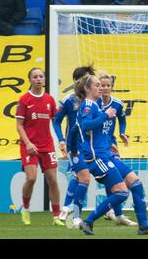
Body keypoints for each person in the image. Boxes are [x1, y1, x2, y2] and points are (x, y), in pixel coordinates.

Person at [70, 74, 148, 235]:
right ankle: (88, 221)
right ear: (87, 88)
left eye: (103, 85)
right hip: (97, 157)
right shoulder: (88, 105)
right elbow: (84, 125)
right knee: (121, 192)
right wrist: (106, 116)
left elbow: (77, 129)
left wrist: (107, 141)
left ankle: (144, 227)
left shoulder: (95, 105)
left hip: (106, 153)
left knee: (136, 184)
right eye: (97, 85)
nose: (101, 88)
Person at [16, 68, 65, 226]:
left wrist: (61, 141)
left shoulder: (49, 100)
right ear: (29, 80)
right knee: (31, 178)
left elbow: (55, 122)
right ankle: (25, 208)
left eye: (41, 76)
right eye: (35, 77)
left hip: (47, 146)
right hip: (29, 146)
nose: (38, 79)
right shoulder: (24, 100)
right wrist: (28, 143)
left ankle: (56, 216)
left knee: (53, 180)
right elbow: (19, 125)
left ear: (44, 79)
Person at [54, 65, 95, 227]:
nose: (87, 82)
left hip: (92, 144)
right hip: (75, 144)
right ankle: (72, 212)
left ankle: (67, 208)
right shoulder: (69, 100)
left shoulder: (94, 100)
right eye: (84, 78)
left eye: (89, 79)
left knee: (80, 176)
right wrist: (61, 140)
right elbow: (56, 121)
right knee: (82, 176)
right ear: (76, 81)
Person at [96, 73, 136, 226]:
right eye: (102, 85)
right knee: (85, 178)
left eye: (108, 85)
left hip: (111, 144)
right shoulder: (93, 104)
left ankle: (115, 213)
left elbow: (122, 120)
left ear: (112, 87)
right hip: (97, 146)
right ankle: (74, 214)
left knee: (114, 177)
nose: (105, 88)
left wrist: (122, 133)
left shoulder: (117, 104)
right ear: (98, 87)